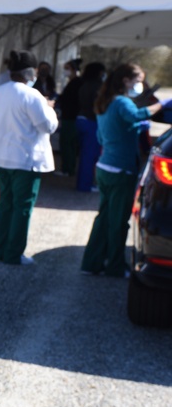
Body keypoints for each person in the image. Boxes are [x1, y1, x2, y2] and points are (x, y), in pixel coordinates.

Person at [80, 63, 172, 277]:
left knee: (104, 218)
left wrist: (130, 131)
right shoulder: (122, 102)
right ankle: (115, 266)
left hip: (105, 167)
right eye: (138, 80)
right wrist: (161, 105)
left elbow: (103, 137)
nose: (140, 85)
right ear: (126, 81)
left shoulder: (106, 102)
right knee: (119, 221)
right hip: (121, 170)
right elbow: (137, 115)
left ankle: (91, 263)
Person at [0, 50, 58, 265]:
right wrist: (49, 108)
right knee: (22, 208)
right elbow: (47, 126)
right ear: (30, 72)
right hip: (25, 160)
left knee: (5, 206)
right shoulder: (32, 95)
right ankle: (14, 253)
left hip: (2, 158)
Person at [75, 62, 106, 192]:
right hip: (91, 122)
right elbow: (98, 106)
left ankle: (83, 183)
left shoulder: (84, 85)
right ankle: (85, 185)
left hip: (81, 119)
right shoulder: (98, 87)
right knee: (90, 156)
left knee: (85, 155)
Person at [54, 58, 82, 176]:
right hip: (70, 116)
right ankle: (68, 168)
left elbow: (70, 100)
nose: (65, 71)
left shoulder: (76, 83)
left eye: (67, 68)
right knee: (68, 144)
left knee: (67, 143)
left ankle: (67, 169)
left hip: (71, 117)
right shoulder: (73, 82)